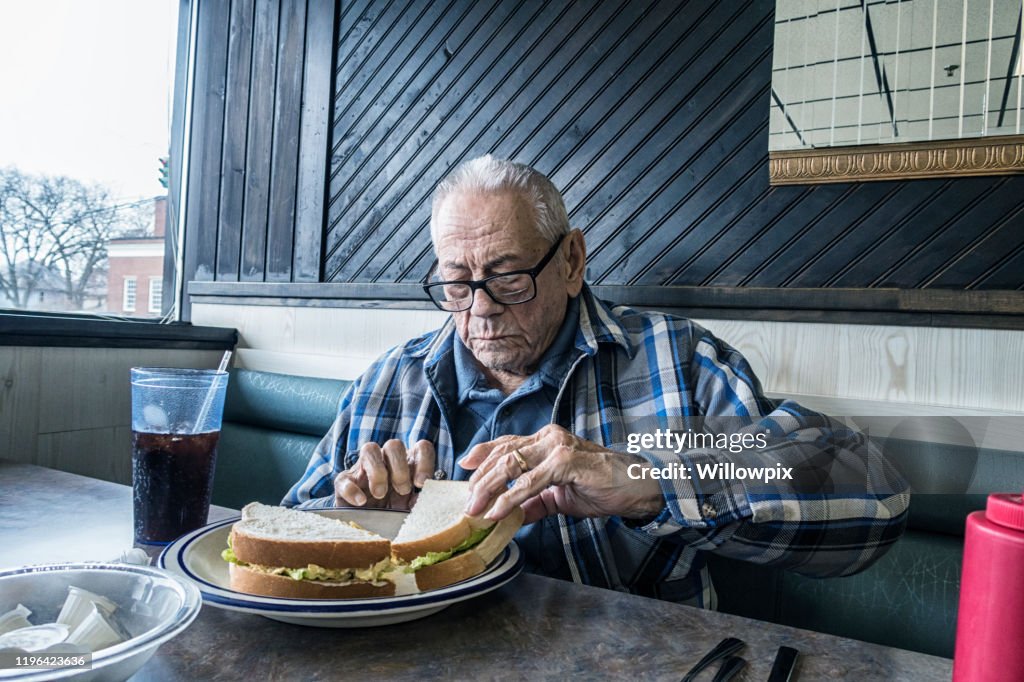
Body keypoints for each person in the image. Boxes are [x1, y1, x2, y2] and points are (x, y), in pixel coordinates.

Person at [284, 155, 909, 605]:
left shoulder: (678, 361)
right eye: (456, 282)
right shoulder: (388, 382)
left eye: (507, 276)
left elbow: (870, 493)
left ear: (573, 261)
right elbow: (288, 531)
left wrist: (647, 480)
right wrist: (365, 527)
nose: (479, 309)